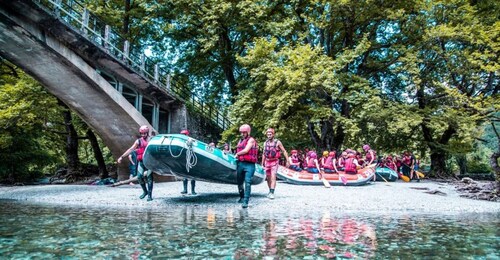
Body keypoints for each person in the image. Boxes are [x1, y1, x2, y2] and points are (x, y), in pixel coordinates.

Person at [117, 125, 154, 201]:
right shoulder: (138, 141)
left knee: (149, 178)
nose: (143, 135)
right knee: (139, 177)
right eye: (141, 134)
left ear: (147, 133)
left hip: (149, 163)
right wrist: (122, 157)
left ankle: (150, 195)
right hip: (141, 162)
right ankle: (145, 191)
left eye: (144, 133)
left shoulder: (152, 140)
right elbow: (131, 149)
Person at [261, 128, 289, 199]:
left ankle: (272, 193)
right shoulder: (265, 143)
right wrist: (262, 164)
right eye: (268, 134)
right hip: (267, 161)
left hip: (274, 161)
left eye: (270, 134)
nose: (269, 135)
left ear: (273, 134)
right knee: (268, 177)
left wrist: (288, 160)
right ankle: (270, 191)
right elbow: (264, 154)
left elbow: (284, 151)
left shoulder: (278, 142)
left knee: (273, 176)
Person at [234, 124, 258, 208]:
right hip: (241, 163)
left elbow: (246, 150)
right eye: (241, 132)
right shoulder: (240, 141)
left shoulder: (251, 140)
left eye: (244, 132)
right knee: (240, 182)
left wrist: (237, 153)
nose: (242, 134)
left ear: (248, 132)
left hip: (250, 165)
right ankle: (241, 197)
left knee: (248, 182)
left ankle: (246, 201)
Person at [180, 129, 196, 195]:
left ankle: (193, 190)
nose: (183, 136)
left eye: (184, 134)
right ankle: (185, 189)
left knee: (192, 176)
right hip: (184, 161)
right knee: (184, 176)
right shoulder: (180, 141)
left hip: (190, 160)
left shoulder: (190, 140)